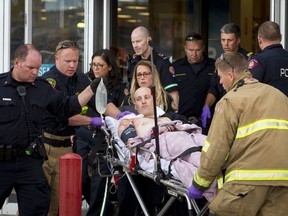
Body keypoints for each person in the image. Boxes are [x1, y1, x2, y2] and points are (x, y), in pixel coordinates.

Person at [0, 44, 100, 216]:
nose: (35, 72)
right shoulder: (1, 85)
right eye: (30, 67)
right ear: (16, 63)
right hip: (1, 161)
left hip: (29, 161)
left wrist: (91, 89)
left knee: (38, 206)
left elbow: (67, 107)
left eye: (38, 68)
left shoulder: (42, 87)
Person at [188, 52, 288, 215]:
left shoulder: (230, 101)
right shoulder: (278, 95)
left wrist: (199, 184)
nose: (220, 82)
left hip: (248, 180)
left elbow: (216, 148)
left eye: (220, 77)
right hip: (283, 181)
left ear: (231, 74)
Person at [41, 40, 121, 216]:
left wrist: (121, 117)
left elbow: (102, 102)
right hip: (46, 146)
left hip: (68, 146)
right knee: (40, 203)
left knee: (62, 202)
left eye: (75, 61)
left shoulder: (81, 79)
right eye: (67, 61)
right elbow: (63, 116)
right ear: (56, 59)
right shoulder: (49, 81)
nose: (72, 65)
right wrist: (91, 121)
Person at [117, 86, 189, 216]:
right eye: (139, 99)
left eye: (147, 97)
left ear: (155, 101)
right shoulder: (132, 121)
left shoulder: (171, 117)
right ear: (135, 105)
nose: (143, 101)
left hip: (185, 147)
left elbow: (186, 127)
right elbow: (132, 143)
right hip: (164, 154)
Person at [75, 49, 128, 216]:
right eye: (94, 65)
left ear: (110, 67)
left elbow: (110, 106)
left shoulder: (118, 86)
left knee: (99, 182)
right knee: (81, 179)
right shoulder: (85, 81)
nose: (96, 69)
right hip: (84, 134)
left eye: (100, 65)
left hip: (104, 138)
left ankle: (99, 212)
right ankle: (107, 209)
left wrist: (120, 115)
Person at [201, 23, 253, 130]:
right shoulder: (221, 60)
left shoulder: (248, 60)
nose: (225, 44)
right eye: (223, 40)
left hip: (241, 113)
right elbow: (214, 88)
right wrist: (206, 106)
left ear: (238, 41)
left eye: (229, 40)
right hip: (223, 112)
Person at [172, 32, 215, 134]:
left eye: (197, 50)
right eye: (191, 50)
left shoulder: (213, 66)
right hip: (181, 121)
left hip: (206, 121)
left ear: (203, 48)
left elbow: (216, 89)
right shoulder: (176, 67)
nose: (194, 54)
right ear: (185, 48)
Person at [127, 26, 179, 109]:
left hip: (160, 111)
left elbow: (173, 93)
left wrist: (173, 115)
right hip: (138, 111)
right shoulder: (133, 63)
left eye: (138, 41)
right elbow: (131, 91)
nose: (135, 45)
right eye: (133, 42)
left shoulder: (162, 62)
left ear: (149, 40)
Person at [248, 20, 288, 96]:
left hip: (268, 107)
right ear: (281, 37)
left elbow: (249, 89)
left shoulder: (259, 60)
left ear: (259, 39)